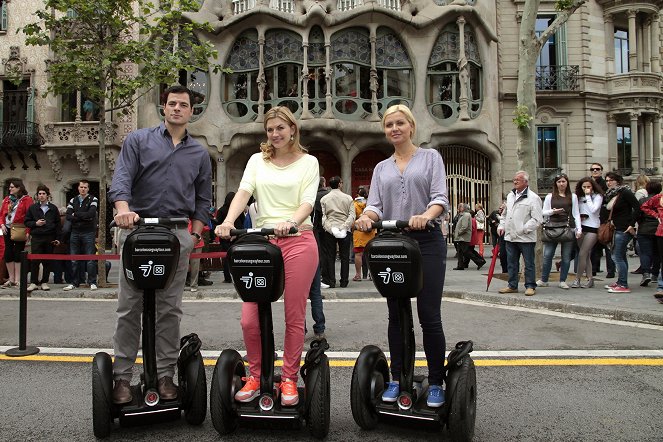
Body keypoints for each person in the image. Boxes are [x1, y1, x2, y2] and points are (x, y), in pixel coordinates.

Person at [107, 85, 213, 404]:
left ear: (191, 111)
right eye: (171, 104)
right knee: (130, 307)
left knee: (169, 309)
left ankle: (165, 374)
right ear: (163, 108)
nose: (177, 109)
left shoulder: (199, 153)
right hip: (138, 231)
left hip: (177, 234)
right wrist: (123, 210)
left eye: (183, 105)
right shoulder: (138, 140)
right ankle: (122, 377)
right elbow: (122, 179)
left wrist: (194, 235)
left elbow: (203, 199)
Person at [215, 106, 319, 407]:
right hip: (263, 242)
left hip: (298, 239)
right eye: (270, 129)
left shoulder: (308, 162)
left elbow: (307, 202)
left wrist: (292, 222)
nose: (274, 134)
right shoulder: (257, 160)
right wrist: (229, 222)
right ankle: (256, 375)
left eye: (280, 128)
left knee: (294, 316)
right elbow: (243, 193)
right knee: (250, 319)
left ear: (292, 129)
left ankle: (288, 378)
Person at [354, 104, 449, 408]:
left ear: (411, 126)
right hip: (394, 243)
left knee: (429, 315)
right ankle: (397, 378)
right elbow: (376, 204)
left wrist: (425, 215)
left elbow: (440, 199)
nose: (394, 129)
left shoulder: (431, 157)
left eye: (399, 124)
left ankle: (435, 382)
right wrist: (367, 218)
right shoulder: (382, 167)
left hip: (427, 241)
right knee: (396, 314)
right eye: (388, 125)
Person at [498, 171, 543, 296]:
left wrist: (524, 229)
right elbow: (505, 214)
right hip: (510, 237)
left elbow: (537, 219)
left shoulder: (533, 198)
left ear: (526, 182)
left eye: (518, 179)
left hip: (526, 238)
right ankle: (512, 285)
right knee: (511, 263)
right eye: (514, 179)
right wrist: (502, 225)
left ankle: (530, 286)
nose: (515, 181)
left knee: (528, 263)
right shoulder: (510, 196)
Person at [536, 174, 582, 289]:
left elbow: (576, 213)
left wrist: (578, 228)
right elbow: (543, 212)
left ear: (567, 183)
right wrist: (553, 212)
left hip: (567, 228)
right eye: (559, 182)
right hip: (552, 227)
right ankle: (544, 279)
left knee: (566, 256)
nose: (561, 184)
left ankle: (562, 280)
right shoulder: (549, 197)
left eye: (563, 181)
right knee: (547, 255)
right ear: (556, 184)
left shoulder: (573, 197)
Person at [602, 172, 640, 293]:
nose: (608, 182)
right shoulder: (612, 194)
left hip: (623, 228)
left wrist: (631, 224)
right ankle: (621, 281)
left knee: (616, 256)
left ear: (617, 181)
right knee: (621, 256)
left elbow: (638, 208)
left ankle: (623, 284)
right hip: (616, 227)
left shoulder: (625, 192)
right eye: (607, 180)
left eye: (611, 180)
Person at [63, 180, 99, 291]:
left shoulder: (93, 199)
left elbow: (91, 214)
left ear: (88, 189)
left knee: (90, 258)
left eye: (85, 187)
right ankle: (74, 282)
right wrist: (83, 217)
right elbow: (68, 216)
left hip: (88, 232)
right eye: (81, 187)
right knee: (74, 259)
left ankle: (92, 282)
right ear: (78, 188)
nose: (83, 189)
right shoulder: (73, 200)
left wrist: (76, 214)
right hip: (75, 232)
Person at [24, 185, 61, 292]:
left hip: (49, 236)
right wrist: (36, 223)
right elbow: (27, 221)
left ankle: (44, 281)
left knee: (47, 260)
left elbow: (58, 224)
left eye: (43, 194)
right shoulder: (33, 208)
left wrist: (58, 238)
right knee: (35, 260)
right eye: (39, 194)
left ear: (47, 195)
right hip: (37, 236)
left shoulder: (53, 208)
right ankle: (34, 282)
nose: (41, 196)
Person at [320, 176, 355, 288]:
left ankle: (331, 281)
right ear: (340, 184)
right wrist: (344, 227)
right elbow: (352, 215)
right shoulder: (348, 198)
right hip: (345, 229)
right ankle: (344, 281)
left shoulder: (324, 199)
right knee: (345, 257)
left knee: (330, 256)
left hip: (330, 229)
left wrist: (331, 229)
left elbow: (324, 217)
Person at [570, 177, 603, 288]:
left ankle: (577, 279)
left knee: (582, 254)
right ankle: (590, 279)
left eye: (588, 186)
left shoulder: (597, 197)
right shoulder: (578, 198)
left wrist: (588, 196)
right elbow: (575, 212)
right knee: (585, 255)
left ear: (593, 186)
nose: (586, 189)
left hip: (593, 227)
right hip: (581, 227)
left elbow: (593, 210)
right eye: (584, 187)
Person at [0, 179, 33, 288]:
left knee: (18, 252)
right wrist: (2, 224)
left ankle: (18, 279)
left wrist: (28, 231)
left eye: (12, 187)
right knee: (8, 252)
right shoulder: (6, 200)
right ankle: (11, 278)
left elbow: (29, 215)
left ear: (19, 188)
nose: (10, 189)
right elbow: (1, 215)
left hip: (20, 228)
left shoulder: (26, 199)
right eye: (9, 187)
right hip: (7, 228)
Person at [589, 163, 615, 278]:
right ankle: (594, 269)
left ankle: (611, 271)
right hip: (593, 219)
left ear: (601, 170)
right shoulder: (588, 183)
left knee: (607, 245)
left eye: (597, 169)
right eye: (593, 169)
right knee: (594, 246)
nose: (595, 171)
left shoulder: (604, 184)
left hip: (605, 219)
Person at [634, 180, 662, 287]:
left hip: (645, 229)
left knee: (645, 252)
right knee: (657, 253)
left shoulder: (642, 200)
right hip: (659, 228)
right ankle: (655, 273)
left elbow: (637, 214)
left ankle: (646, 273)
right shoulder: (661, 200)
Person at [638, 187, 663, 303]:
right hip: (661, 233)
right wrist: (656, 215)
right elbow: (644, 206)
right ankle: (661, 288)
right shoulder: (659, 198)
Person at [215, 191, 244, 283]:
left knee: (226, 257)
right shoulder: (238, 211)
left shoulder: (221, 210)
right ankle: (238, 276)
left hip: (224, 237)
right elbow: (242, 223)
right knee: (238, 257)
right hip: (237, 235)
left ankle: (227, 278)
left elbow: (218, 222)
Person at [352, 185, 375, 281]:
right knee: (371, 254)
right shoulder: (371, 205)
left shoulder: (354, 204)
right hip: (371, 230)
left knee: (358, 254)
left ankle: (358, 275)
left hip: (359, 231)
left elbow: (353, 217)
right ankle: (371, 274)